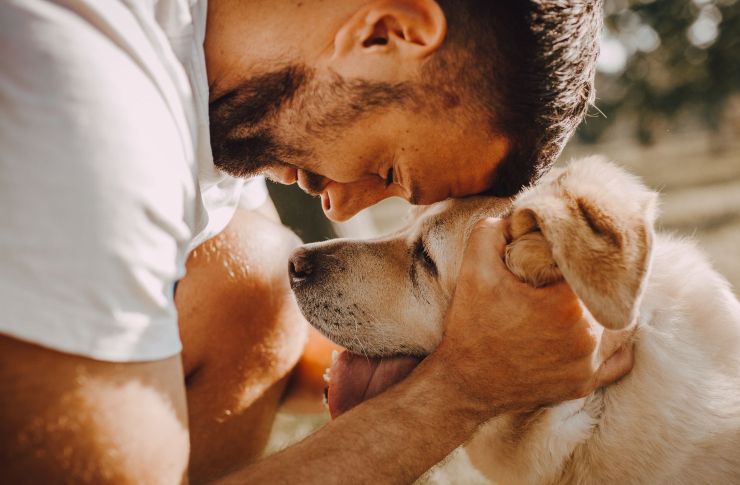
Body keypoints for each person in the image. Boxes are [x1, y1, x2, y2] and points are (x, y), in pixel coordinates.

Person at [0, 0, 632, 483]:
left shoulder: (209, 88)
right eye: (387, 169)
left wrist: (502, 345)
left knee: (251, 277)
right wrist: (464, 389)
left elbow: (260, 343)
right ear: (386, 32)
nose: (339, 203)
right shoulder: (89, 103)